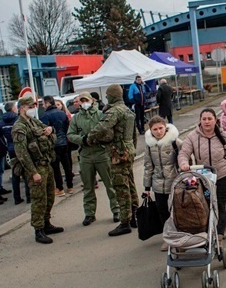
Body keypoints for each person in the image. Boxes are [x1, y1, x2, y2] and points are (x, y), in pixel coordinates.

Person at [178, 108, 226, 243]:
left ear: (215, 121)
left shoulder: (223, 136)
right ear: (200, 121)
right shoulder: (193, 136)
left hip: (223, 175)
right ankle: (221, 224)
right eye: (204, 119)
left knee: (219, 203)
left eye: (209, 119)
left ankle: (220, 231)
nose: (206, 122)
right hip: (203, 177)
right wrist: (183, 164)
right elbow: (184, 153)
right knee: (206, 203)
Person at [87, 84, 137, 237]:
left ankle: (125, 222)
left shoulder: (114, 111)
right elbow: (133, 134)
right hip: (128, 150)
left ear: (112, 96)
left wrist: (89, 137)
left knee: (120, 187)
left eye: (108, 95)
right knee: (130, 183)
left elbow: (103, 127)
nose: (106, 98)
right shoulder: (128, 110)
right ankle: (134, 215)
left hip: (117, 153)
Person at [12, 96, 64, 244]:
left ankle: (46, 223)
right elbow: (22, 154)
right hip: (35, 167)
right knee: (38, 199)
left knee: (49, 196)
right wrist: (33, 172)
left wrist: (50, 130)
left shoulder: (34, 122)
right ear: (22, 108)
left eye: (35, 106)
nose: (33, 109)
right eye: (30, 106)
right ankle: (38, 229)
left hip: (46, 164)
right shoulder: (19, 127)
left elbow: (49, 133)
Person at [67, 92, 120, 226]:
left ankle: (116, 210)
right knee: (88, 187)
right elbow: (71, 134)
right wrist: (82, 140)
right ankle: (89, 213)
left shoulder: (101, 115)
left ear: (92, 101)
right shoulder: (77, 118)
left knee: (110, 184)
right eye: (81, 100)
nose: (84, 103)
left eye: (86, 100)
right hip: (85, 155)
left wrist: (98, 138)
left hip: (101, 153)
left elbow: (109, 131)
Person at [142, 116, 182, 251]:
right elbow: (148, 166)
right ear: (150, 130)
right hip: (158, 184)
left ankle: (181, 235)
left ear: (165, 127)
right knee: (163, 212)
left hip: (175, 182)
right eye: (155, 129)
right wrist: (147, 187)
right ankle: (169, 238)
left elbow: (185, 159)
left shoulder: (175, 142)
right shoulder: (149, 145)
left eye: (161, 128)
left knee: (177, 210)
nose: (158, 132)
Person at [0, 101, 30, 205]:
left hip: (11, 149)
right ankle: (29, 197)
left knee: (15, 174)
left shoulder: (2, 121)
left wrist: (4, 146)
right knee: (26, 172)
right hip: (21, 148)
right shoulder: (17, 119)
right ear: (14, 109)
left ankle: (17, 198)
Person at [41, 95, 73, 197]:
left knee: (56, 168)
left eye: (43, 103)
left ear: (47, 103)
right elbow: (67, 127)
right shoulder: (62, 113)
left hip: (54, 144)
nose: (42, 106)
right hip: (64, 142)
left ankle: (60, 188)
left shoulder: (45, 115)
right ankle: (70, 186)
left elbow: (45, 131)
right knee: (67, 165)